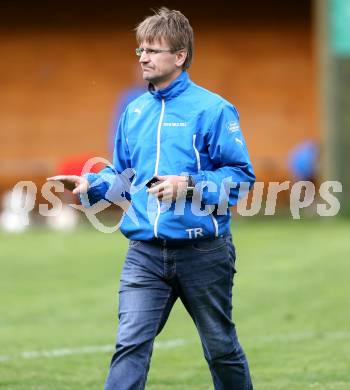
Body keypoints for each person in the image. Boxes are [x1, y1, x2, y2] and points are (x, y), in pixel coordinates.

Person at [48, 8, 255, 390]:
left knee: (221, 349)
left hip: (204, 253)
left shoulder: (213, 110)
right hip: (144, 253)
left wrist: (188, 185)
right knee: (130, 346)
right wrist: (92, 184)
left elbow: (241, 180)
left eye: (153, 50)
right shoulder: (134, 111)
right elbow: (125, 179)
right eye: (140, 50)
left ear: (180, 56)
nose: (143, 57)